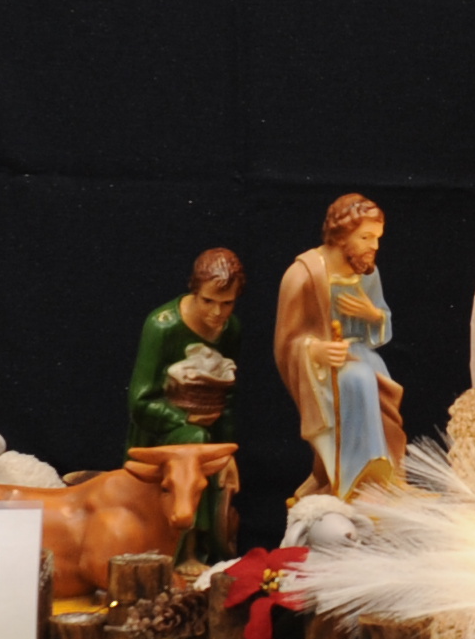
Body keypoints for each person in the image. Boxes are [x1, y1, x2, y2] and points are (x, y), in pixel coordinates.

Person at [273, 194, 407, 500]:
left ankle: (385, 476)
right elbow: (286, 341)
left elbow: (381, 327)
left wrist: (372, 315)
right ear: (341, 236)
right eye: (366, 237)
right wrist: (315, 350)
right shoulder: (303, 275)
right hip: (321, 368)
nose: (375, 246)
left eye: (377, 237)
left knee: (375, 375)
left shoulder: (367, 272)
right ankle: (353, 479)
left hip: (360, 354)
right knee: (358, 378)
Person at [125, 248, 245, 552]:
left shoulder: (230, 329)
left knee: (208, 454)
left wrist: (228, 452)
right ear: (194, 290)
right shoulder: (163, 326)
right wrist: (185, 419)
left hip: (210, 433)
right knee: (195, 443)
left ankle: (207, 547)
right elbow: (140, 402)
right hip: (160, 434)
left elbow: (228, 399)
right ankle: (185, 551)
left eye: (227, 303)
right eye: (208, 301)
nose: (217, 313)